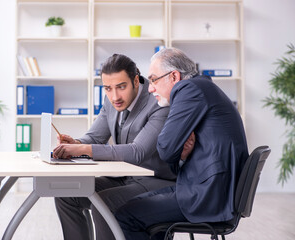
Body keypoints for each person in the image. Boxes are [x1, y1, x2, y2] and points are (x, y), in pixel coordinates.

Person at [115, 47, 249, 240]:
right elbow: (172, 151)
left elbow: (166, 148)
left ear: (174, 76)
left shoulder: (188, 89)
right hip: (209, 190)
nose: (150, 88)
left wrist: (175, 151)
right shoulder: (202, 87)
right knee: (133, 205)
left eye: (153, 79)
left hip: (207, 196)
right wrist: (183, 155)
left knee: (126, 215)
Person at [52, 54, 189, 240]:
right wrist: (76, 144)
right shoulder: (111, 100)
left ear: (135, 81)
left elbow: (137, 151)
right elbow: (95, 136)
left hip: (157, 180)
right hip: (124, 177)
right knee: (66, 193)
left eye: (121, 87)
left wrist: (83, 150)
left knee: (103, 204)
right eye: (108, 88)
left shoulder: (158, 102)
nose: (114, 96)